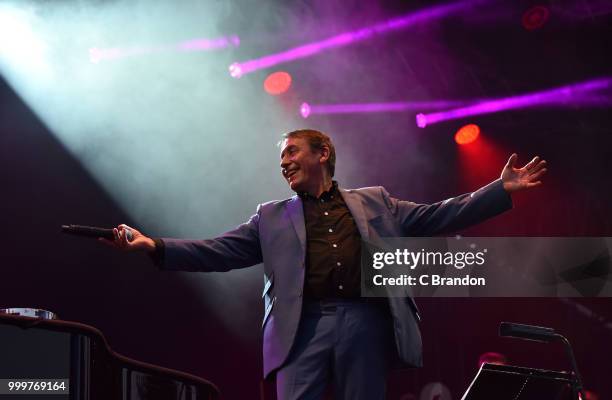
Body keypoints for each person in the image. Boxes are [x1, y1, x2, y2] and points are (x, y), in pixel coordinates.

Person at [105, 129, 547, 400]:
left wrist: (497, 189)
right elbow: (219, 250)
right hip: (302, 327)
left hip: (366, 321)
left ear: (322, 154)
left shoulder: (375, 201)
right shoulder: (271, 216)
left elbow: (436, 215)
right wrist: (154, 245)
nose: (284, 163)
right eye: (281, 159)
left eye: (292, 152)